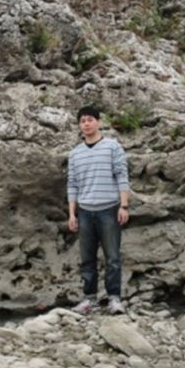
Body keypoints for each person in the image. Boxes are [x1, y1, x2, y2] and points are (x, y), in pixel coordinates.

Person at [65, 105, 131, 314]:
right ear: (79, 125)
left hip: (109, 209)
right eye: (82, 121)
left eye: (90, 119)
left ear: (98, 122)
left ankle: (114, 299)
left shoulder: (112, 147)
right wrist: (72, 214)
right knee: (87, 258)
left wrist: (124, 205)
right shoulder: (75, 154)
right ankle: (89, 299)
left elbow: (122, 176)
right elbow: (72, 184)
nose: (86, 124)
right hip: (84, 211)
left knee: (112, 257)